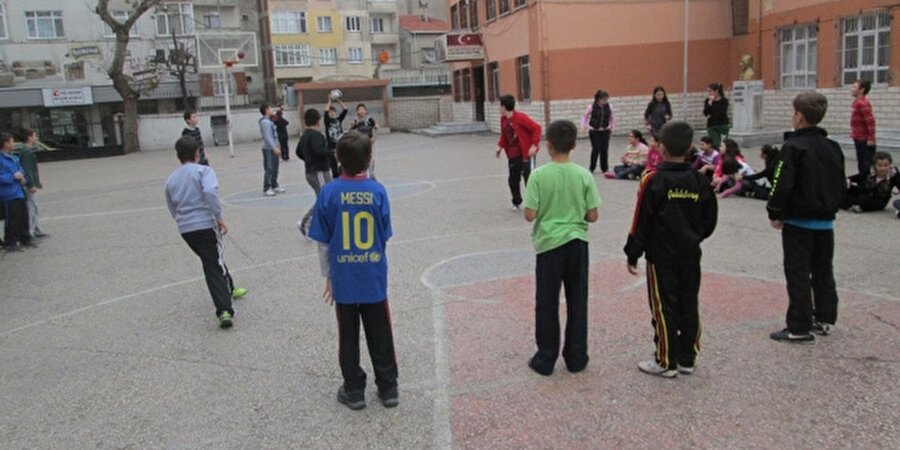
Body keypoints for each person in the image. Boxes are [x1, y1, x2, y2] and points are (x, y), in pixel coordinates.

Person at [308, 131, 399, 411]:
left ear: (337, 158)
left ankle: (354, 390)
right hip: (371, 276)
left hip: (344, 278)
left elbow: (323, 242)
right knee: (380, 331)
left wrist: (329, 277)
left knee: (348, 335)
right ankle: (388, 387)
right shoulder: (377, 191)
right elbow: (384, 235)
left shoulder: (328, 193)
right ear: (369, 159)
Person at [624, 121, 718, 378]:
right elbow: (710, 219)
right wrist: (694, 236)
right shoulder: (699, 180)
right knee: (688, 302)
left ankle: (666, 359)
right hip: (690, 253)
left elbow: (640, 219)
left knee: (664, 305)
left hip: (661, 256)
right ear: (689, 148)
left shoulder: (653, 179)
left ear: (661, 147)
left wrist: (633, 252)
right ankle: (687, 356)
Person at [522, 120, 600, 376]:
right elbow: (592, 215)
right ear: (575, 145)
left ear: (549, 146)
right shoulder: (584, 175)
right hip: (577, 243)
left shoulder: (538, 175)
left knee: (546, 301)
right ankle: (577, 357)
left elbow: (530, 214)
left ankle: (546, 358)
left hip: (549, 246)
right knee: (578, 300)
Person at [766, 92, 845, 344]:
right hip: (825, 220)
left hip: (798, 221)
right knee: (823, 269)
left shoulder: (792, 148)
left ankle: (799, 325)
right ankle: (824, 317)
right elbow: (840, 181)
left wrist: (775, 212)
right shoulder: (832, 147)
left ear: (799, 116)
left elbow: (780, 183)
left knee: (798, 272)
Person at [165, 136, 249, 328]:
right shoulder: (204, 171)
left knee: (212, 258)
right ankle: (224, 310)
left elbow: (171, 204)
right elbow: (210, 192)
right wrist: (218, 217)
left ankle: (230, 287)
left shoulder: (171, 179)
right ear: (197, 153)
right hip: (204, 224)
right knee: (212, 264)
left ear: (178, 156)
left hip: (186, 229)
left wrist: (181, 220)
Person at [496, 94, 542, 210]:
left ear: (504, 107)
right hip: (513, 154)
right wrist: (500, 146)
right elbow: (504, 135)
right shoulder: (503, 120)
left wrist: (534, 145)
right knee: (513, 179)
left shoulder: (521, 118)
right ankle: (516, 202)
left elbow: (537, 128)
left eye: (500, 105)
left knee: (529, 178)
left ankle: (534, 202)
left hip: (526, 153)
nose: (499, 108)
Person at [296, 108, 334, 237]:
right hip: (319, 171)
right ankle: (306, 222)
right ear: (318, 120)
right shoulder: (316, 135)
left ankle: (319, 224)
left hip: (313, 171)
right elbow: (319, 151)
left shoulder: (305, 135)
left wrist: (308, 159)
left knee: (326, 198)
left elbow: (298, 152)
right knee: (325, 199)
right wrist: (332, 153)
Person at [0, 132, 32, 252]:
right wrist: (12, 176)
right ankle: (10, 241)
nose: (14, 144)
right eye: (12, 141)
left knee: (23, 216)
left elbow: (21, 170)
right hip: (8, 193)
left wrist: (23, 177)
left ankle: (25, 238)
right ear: (5, 143)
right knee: (11, 218)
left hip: (19, 191)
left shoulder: (14, 157)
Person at [14, 129, 47, 238]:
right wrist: (31, 184)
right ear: (29, 137)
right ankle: (30, 231)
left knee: (34, 207)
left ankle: (36, 229)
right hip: (28, 185)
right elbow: (27, 169)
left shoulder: (26, 151)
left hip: (30, 183)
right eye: (34, 136)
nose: (36, 138)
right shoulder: (26, 152)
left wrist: (37, 181)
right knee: (31, 207)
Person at [580, 89, 615, 174]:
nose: (605, 101)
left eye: (606, 99)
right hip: (594, 130)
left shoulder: (609, 107)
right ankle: (592, 167)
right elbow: (584, 116)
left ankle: (604, 168)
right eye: (603, 99)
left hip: (605, 130)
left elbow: (612, 117)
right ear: (598, 99)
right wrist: (584, 126)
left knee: (604, 149)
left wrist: (611, 127)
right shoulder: (591, 107)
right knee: (596, 149)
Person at [849, 79, 877, 175]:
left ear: (862, 90)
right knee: (861, 164)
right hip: (858, 137)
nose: (851, 89)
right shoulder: (858, 103)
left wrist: (871, 138)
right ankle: (863, 185)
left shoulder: (863, 103)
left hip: (864, 140)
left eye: (854, 87)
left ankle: (868, 185)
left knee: (866, 165)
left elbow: (870, 121)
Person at [258, 104, 284, 196]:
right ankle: (267, 187)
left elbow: (274, 134)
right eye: (270, 108)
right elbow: (267, 136)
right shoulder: (265, 122)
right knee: (269, 167)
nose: (271, 110)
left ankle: (274, 184)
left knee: (275, 167)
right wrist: (274, 147)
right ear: (266, 110)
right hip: (268, 148)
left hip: (274, 147)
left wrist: (278, 145)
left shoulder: (270, 120)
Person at [350, 103, 378, 180]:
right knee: (362, 161)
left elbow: (374, 128)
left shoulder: (370, 119)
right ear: (357, 111)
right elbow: (352, 131)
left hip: (370, 142)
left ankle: (372, 178)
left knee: (371, 160)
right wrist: (352, 126)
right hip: (361, 143)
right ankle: (363, 177)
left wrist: (374, 137)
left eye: (363, 109)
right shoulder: (356, 120)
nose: (361, 111)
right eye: (360, 110)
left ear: (366, 111)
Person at [324, 95, 348, 178]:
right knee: (334, 168)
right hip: (331, 148)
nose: (332, 113)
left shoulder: (338, 120)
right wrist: (329, 101)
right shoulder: (327, 121)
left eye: (333, 111)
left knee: (342, 166)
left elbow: (345, 109)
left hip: (340, 146)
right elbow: (325, 111)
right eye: (330, 112)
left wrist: (338, 100)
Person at [703, 82, 730, 148]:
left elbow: (722, 112)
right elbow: (705, 113)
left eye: (710, 91)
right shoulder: (708, 100)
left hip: (722, 125)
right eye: (708, 91)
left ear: (716, 91)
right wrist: (710, 103)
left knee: (723, 144)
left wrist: (711, 115)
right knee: (715, 144)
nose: (709, 93)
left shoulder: (724, 100)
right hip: (712, 125)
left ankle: (723, 157)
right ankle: (717, 157)